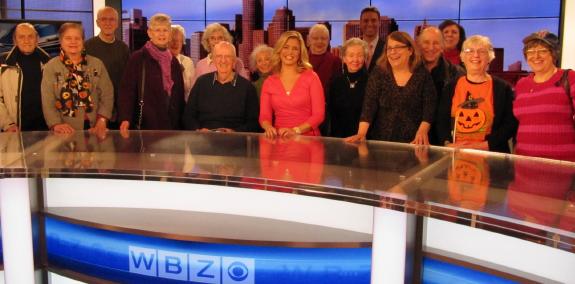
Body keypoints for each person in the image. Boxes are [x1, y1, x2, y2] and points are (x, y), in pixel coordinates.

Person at [345, 31, 436, 144]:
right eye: (390, 48)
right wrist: (361, 133)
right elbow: (369, 106)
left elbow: (429, 109)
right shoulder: (379, 72)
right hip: (381, 144)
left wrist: (422, 131)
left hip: (413, 144)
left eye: (398, 47)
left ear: (410, 50)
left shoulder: (422, 75)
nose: (393, 52)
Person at [436, 35, 517, 153]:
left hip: (491, 156)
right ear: (462, 57)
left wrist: (483, 146)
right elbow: (441, 120)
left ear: (490, 57)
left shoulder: (502, 88)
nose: (475, 55)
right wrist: (447, 143)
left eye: (482, 51)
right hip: (456, 153)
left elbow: (510, 123)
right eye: (469, 51)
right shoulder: (451, 87)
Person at [41, 23, 113, 135]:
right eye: (68, 38)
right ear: (60, 40)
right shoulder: (51, 67)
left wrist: (102, 120)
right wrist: (55, 124)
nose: (73, 42)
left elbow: (107, 95)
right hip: (64, 130)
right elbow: (47, 100)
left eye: (77, 38)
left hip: (94, 127)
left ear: (83, 40)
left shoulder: (96, 64)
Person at [514, 31, 575, 161]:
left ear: (553, 54)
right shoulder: (521, 84)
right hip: (524, 162)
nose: (536, 56)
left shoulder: (569, 78)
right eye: (530, 52)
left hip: (562, 164)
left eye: (542, 51)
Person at [118, 13, 185, 131]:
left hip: (172, 126)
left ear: (170, 34)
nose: (162, 34)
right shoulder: (138, 58)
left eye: (165, 30)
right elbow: (127, 92)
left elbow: (179, 96)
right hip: (147, 126)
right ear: (149, 33)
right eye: (157, 30)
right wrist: (125, 119)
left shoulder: (174, 62)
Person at [259, 31, 324, 138]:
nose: (290, 52)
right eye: (286, 47)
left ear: (300, 53)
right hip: (280, 139)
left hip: (307, 139)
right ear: (279, 50)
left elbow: (319, 115)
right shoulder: (269, 82)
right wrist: (268, 127)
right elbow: (264, 116)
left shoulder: (312, 77)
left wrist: (295, 130)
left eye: (295, 49)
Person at [183, 41, 259, 132]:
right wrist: (198, 129)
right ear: (214, 60)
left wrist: (235, 132)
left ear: (234, 61)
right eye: (219, 56)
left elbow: (254, 123)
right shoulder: (201, 82)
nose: (223, 61)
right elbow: (188, 116)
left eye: (227, 57)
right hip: (205, 140)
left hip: (235, 141)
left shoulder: (247, 87)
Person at [416, 26, 465, 145]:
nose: (431, 48)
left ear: (442, 47)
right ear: (418, 45)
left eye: (436, 43)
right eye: (426, 43)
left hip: (444, 139)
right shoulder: (409, 71)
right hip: (414, 136)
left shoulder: (458, 73)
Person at [84, 6, 130, 129]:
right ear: (97, 22)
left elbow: (127, 81)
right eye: (104, 19)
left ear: (117, 23)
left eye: (112, 19)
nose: (108, 23)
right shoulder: (87, 47)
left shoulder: (124, 48)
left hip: (118, 109)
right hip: (94, 110)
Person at [0, 23, 51, 132]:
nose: (26, 40)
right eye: (21, 37)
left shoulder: (49, 63)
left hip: (46, 129)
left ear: (37, 39)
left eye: (30, 36)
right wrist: (7, 124)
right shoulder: (3, 63)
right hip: (15, 129)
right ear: (15, 40)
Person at [328, 38, 369, 138]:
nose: (355, 59)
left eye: (359, 55)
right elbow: (331, 114)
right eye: (351, 55)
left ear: (364, 58)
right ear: (344, 58)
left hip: (364, 138)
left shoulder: (371, 82)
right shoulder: (335, 82)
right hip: (339, 140)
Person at [307, 23, 342, 136]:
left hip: (326, 114)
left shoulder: (335, 61)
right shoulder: (302, 60)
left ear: (328, 40)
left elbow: (336, 92)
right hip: (303, 111)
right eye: (315, 38)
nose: (319, 42)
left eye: (323, 38)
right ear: (309, 40)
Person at [169, 24, 195, 101]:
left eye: (178, 40)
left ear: (182, 43)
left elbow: (191, 89)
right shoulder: (160, 62)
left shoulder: (188, 62)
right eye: (172, 40)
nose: (175, 43)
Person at [360, 6, 385, 73]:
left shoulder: (387, 48)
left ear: (379, 23)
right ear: (360, 23)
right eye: (366, 21)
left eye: (373, 20)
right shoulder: (352, 47)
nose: (370, 24)